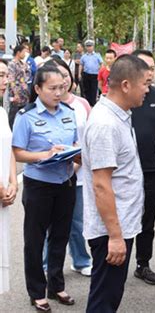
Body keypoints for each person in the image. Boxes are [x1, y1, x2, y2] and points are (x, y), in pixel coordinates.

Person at [82, 54, 149, 313]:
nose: (147, 89)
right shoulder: (105, 124)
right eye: (145, 83)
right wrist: (116, 237)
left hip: (121, 224)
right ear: (125, 85)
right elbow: (101, 185)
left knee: (109, 296)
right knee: (104, 301)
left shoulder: (120, 115)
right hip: (111, 230)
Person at [12, 65, 78, 312]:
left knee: (61, 236)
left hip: (65, 182)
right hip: (39, 184)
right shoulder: (26, 116)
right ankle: (37, 291)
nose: (58, 92)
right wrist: (45, 154)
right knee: (35, 239)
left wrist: (74, 151)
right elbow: (17, 153)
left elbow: (73, 143)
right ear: (38, 89)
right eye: (52, 88)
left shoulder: (69, 113)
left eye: (62, 87)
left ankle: (56, 285)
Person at [41, 58, 93, 277]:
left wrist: (78, 163)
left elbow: (89, 136)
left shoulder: (81, 104)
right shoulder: (38, 109)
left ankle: (81, 260)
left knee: (77, 221)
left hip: (78, 174)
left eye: (65, 75)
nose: (62, 80)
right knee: (48, 223)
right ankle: (46, 265)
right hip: (51, 175)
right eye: (56, 76)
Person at [130, 49, 155, 285]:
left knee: (148, 220)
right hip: (123, 173)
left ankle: (143, 264)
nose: (150, 72)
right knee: (121, 219)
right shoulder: (122, 98)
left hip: (151, 169)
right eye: (145, 67)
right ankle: (114, 260)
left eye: (152, 68)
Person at [0, 59, 18, 294]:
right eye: (0, 75)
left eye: (5, 75)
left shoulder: (3, 112)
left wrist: (13, 182)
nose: (4, 81)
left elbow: (9, 149)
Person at [7, 44, 32, 128]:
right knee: (13, 115)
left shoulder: (23, 63)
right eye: (24, 52)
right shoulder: (12, 64)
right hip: (16, 93)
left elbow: (27, 75)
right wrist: (15, 93)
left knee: (24, 114)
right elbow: (11, 79)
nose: (25, 54)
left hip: (24, 93)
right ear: (18, 52)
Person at [79, 39, 103, 106]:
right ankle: (87, 102)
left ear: (93, 46)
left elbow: (101, 63)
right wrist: (79, 74)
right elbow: (81, 64)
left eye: (90, 46)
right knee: (86, 89)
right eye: (87, 46)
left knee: (94, 89)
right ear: (86, 47)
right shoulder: (84, 56)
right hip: (86, 74)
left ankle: (93, 103)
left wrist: (101, 72)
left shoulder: (97, 55)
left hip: (95, 75)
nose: (89, 47)